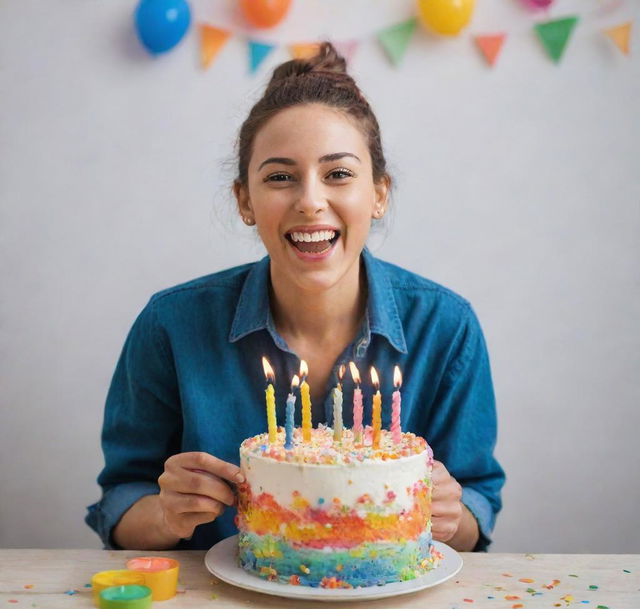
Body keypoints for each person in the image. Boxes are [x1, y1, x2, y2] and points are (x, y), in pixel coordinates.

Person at [86, 42, 504, 553]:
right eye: (280, 177)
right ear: (245, 199)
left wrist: (449, 514)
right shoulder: (172, 324)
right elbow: (120, 503)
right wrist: (166, 513)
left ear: (378, 193)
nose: (310, 201)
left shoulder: (446, 326)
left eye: (339, 174)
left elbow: (475, 513)